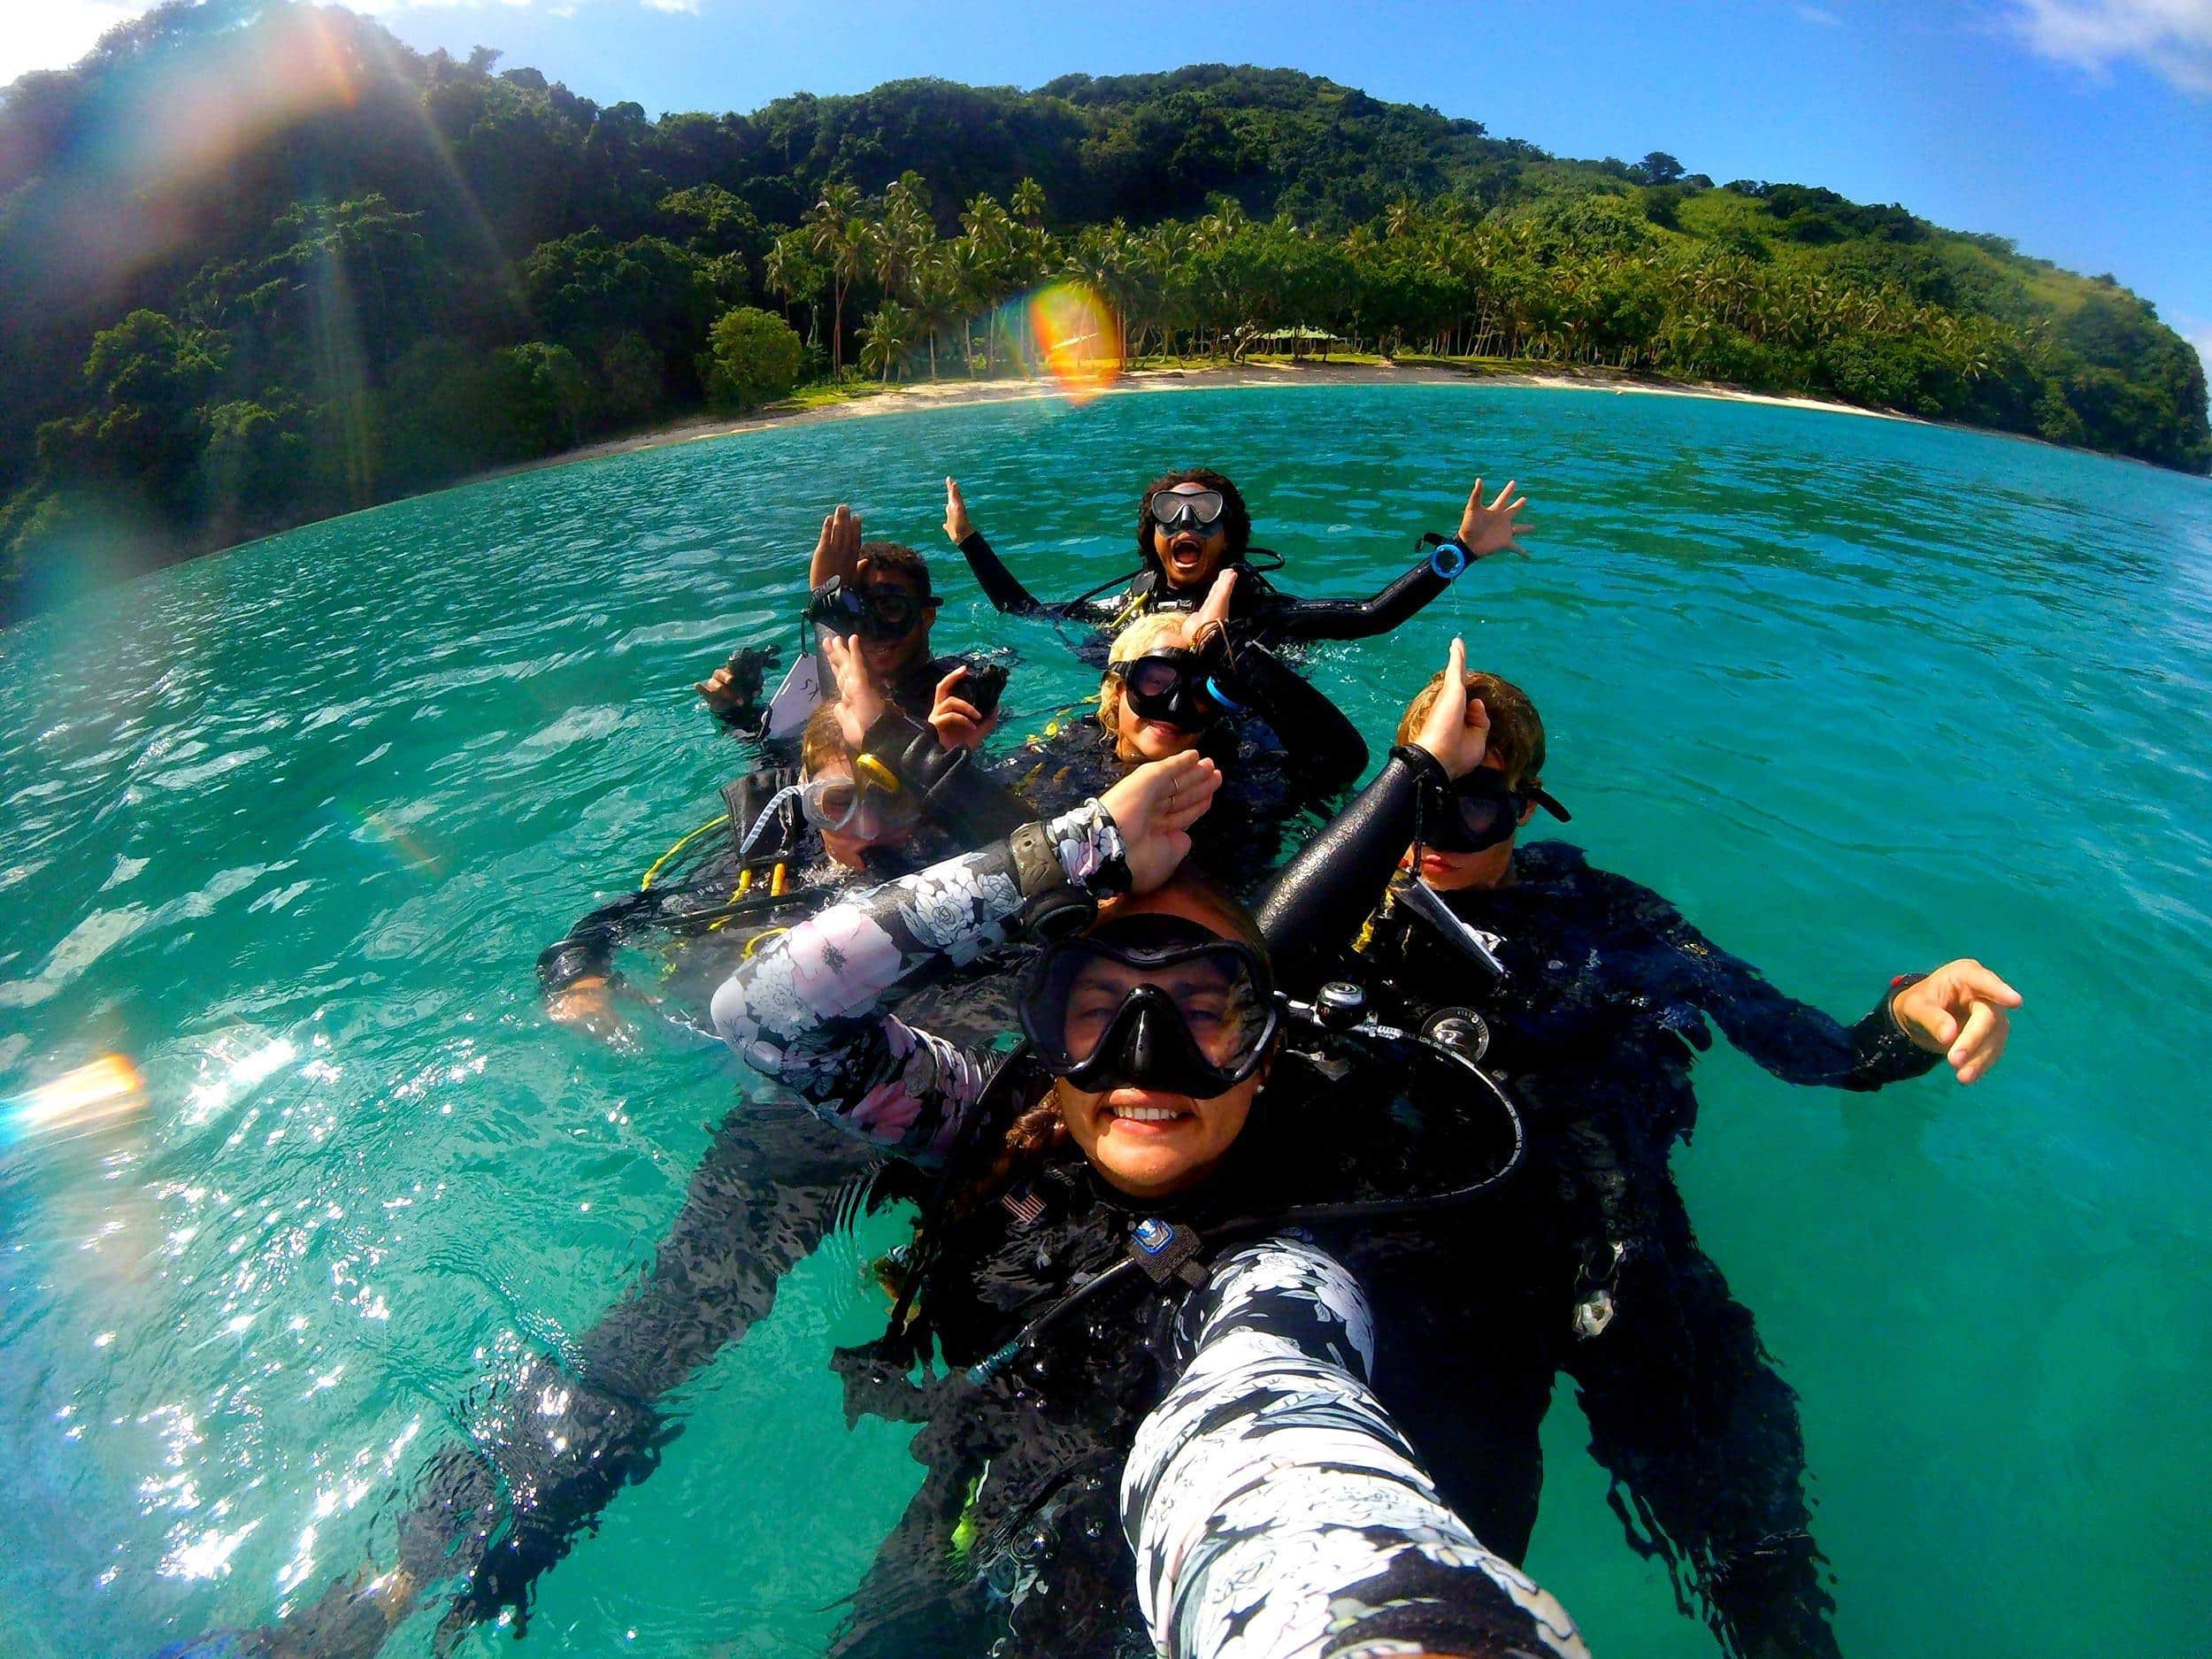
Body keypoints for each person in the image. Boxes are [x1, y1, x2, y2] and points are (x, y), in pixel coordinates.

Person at [709, 753, 1582, 1658]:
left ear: (1265, 1054)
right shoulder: (985, 1125)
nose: (1143, 1055)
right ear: (1046, 1038)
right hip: (963, 1511)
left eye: (1200, 1012)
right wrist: (1075, 848)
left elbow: (1276, 1417)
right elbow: (766, 1014)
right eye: (1097, 1009)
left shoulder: (1283, 1262)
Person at [1257, 644, 2024, 1659]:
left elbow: (1808, 1049)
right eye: (1423, 798)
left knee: (1766, 1574)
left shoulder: (1609, 918)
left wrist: (1904, 1024)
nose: (1438, 834)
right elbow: (1231, 986)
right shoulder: (1326, 913)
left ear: (1528, 810)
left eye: (1475, 806)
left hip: (1625, 1251)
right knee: (1425, 1591)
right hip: (1437, 1286)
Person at [988, 568, 1368, 893]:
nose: (1175, 707)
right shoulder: (1068, 750)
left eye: (1200, 690)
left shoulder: (1238, 768)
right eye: (1156, 680)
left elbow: (1339, 761)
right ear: (1117, 689)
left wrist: (1220, 644)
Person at [942, 466, 1528, 647]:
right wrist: (969, 538)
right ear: (1151, 537)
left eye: (1205, 514)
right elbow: (1023, 609)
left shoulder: (1260, 612)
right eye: (1169, 515)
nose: (1185, 526)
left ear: (1231, 537)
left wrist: (1461, 551)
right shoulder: (1131, 604)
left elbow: (1371, 614)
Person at [698, 505, 991, 739]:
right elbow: (790, 765)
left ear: (926, 615)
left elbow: (876, 751)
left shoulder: (959, 684)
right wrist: (739, 713)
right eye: (854, 612)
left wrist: (825, 608)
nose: (871, 630)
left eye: (890, 609)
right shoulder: (819, 690)